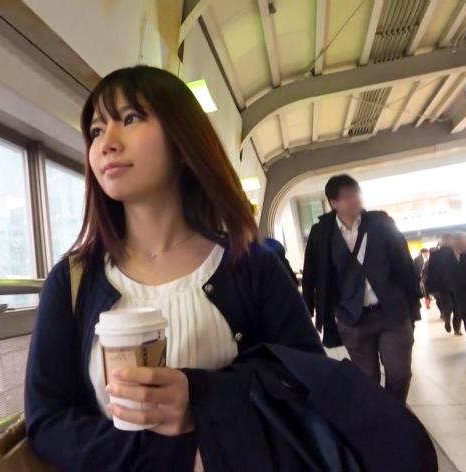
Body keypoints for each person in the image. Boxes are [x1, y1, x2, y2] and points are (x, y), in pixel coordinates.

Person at [23, 65, 324, 471]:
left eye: (130, 118)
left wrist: (201, 396)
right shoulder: (71, 281)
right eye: (96, 130)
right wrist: (174, 455)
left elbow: (310, 379)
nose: (106, 143)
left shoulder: (251, 266)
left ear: (182, 140)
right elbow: (47, 420)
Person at [302, 174, 421, 402]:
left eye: (356, 193)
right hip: (351, 318)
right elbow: (312, 273)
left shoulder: (380, 222)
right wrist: (307, 310)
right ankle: (379, 415)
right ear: (333, 202)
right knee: (367, 379)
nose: (354, 200)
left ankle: (393, 413)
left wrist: (413, 303)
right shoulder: (322, 233)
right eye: (347, 196)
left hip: (391, 311)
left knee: (399, 373)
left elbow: (404, 262)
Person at [424, 234, 460, 334]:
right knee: (457, 306)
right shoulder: (456, 252)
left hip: (442, 285)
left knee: (447, 304)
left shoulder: (435, 254)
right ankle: (456, 328)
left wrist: (431, 286)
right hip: (456, 284)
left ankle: (447, 319)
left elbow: (431, 271)